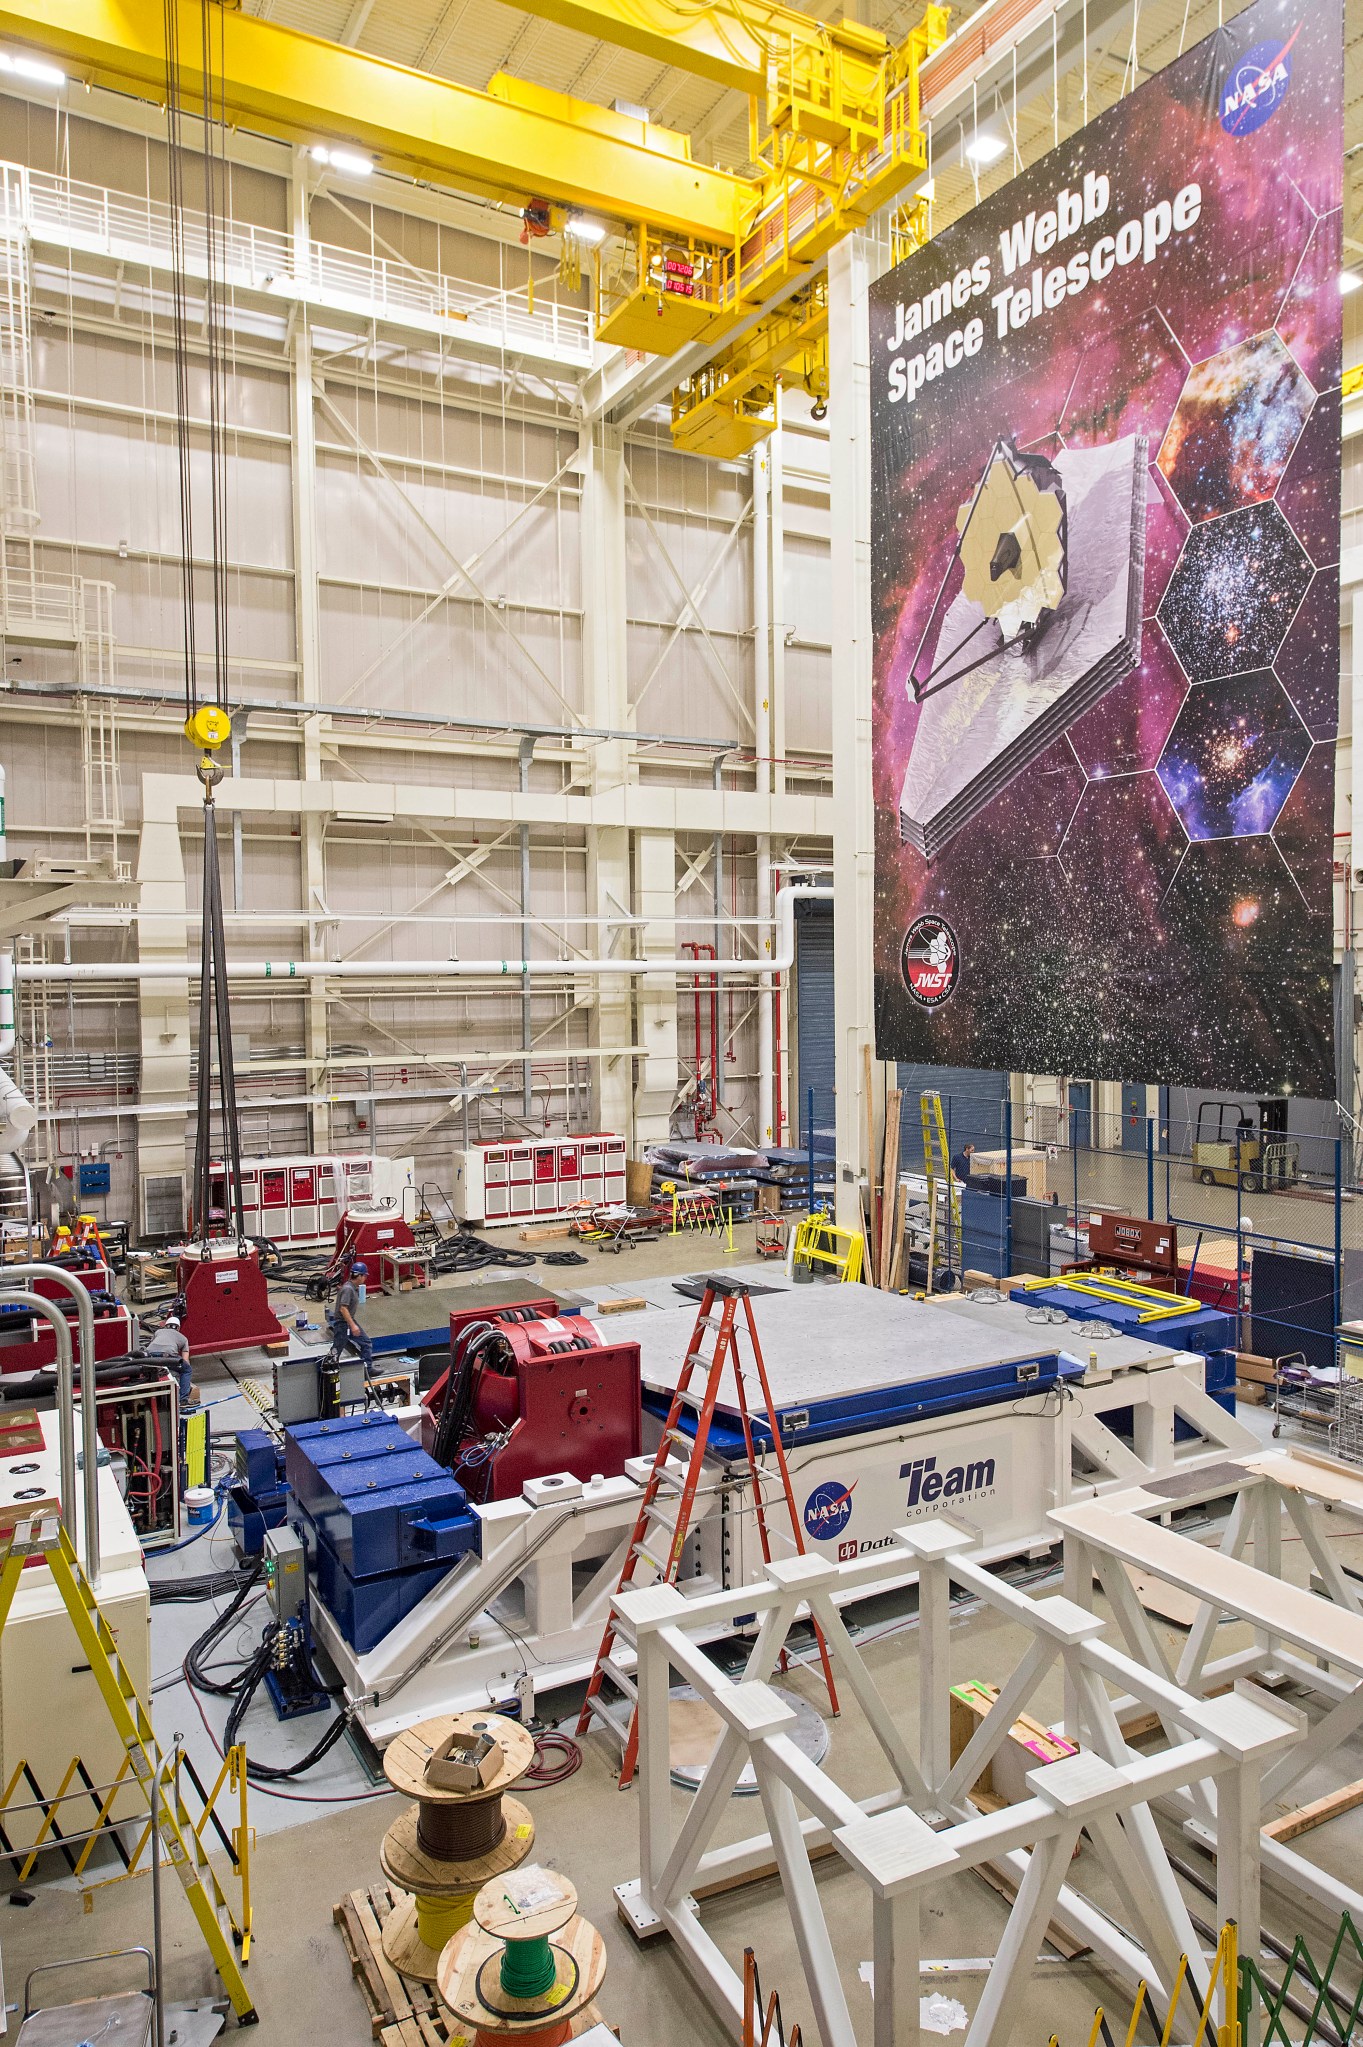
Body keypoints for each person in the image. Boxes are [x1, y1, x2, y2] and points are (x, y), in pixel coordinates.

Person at [330, 1261, 375, 1376]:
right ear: (359, 1276)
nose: (365, 1278)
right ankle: (329, 1370)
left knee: (366, 1343)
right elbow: (343, 1309)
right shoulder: (348, 1289)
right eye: (364, 1276)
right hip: (343, 1324)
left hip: (348, 1322)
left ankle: (367, 1370)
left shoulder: (351, 1288)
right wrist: (353, 1325)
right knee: (336, 1350)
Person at [147, 1314, 195, 1409]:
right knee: (187, 1370)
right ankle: (183, 1400)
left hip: (150, 1356)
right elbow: (185, 1360)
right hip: (168, 1357)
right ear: (178, 1328)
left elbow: (152, 1344)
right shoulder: (183, 1338)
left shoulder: (158, 1331)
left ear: (166, 1325)